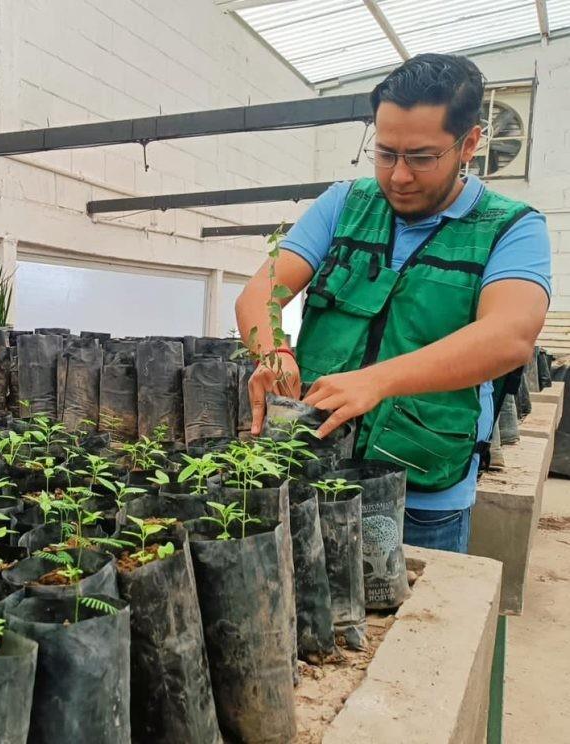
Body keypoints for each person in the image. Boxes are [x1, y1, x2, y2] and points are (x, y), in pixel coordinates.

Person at [235, 53, 551, 554]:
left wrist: (377, 381)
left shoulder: (511, 227)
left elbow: (510, 336)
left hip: (422, 492)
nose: (399, 175)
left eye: (421, 157)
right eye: (385, 153)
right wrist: (274, 353)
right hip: (314, 471)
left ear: (469, 143)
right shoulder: (344, 204)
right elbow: (259, 294)